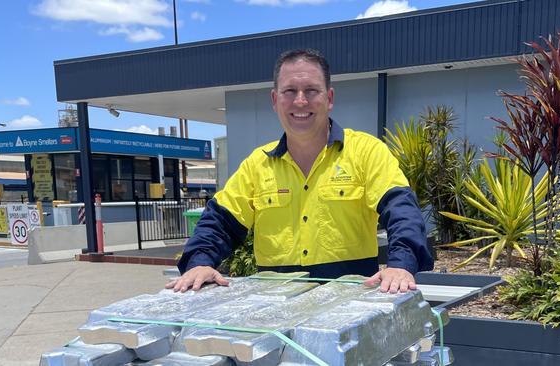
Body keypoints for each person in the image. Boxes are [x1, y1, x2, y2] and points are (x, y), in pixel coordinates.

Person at [167, 49, 433, 294]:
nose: (300, 101)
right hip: (276, 312)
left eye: (311, 90)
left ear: (329, 98)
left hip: (349, 311)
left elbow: (402, 210)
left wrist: (402, 264)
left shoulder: (366, 152)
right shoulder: (256, 165)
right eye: (290, 91)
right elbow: (219, 222)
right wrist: (199, 262)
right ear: (275, 99)